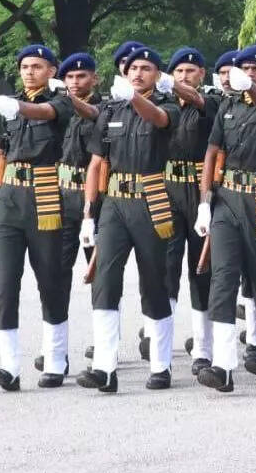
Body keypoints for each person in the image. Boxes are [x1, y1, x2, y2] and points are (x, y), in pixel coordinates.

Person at [76, 46, 180, 393]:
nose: (138, 73)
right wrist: (89, 213)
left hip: (151, 201)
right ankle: (105, 367)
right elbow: (96, 163)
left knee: (154, 282)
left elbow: (158, 119)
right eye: (133, 68)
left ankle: (161, 364)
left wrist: (134, 98)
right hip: (114, 204)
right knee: (105, 280)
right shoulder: (111, 109)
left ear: (158, 75)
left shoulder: (167, 105)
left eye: (146, 68)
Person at [194, 44, 256, 393]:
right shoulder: (228, 105)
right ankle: (223, 366)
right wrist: (205, 201)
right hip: (227, 198)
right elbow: (212, 152)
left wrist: (250, 86)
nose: (250, 73)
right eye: (245, 69)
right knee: (223, 278)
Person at [0, 44, 76, 391]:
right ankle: (9, 367)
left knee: (50, 279)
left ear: (51, 71)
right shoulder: (9, 107)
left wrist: (18, 107)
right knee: (5, 284)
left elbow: (46, 112)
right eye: (24, 67)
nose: (29, 72)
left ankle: (55, 359)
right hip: (10, 199)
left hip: (45, 196)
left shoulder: (61, 101)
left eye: (36, 66)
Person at [31, 53, 101, 375]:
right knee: (55, 273)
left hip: (92, 199)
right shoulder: (57, 107)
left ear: (94, 79)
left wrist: (92, 210)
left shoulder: (105, 108)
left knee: (100, 273)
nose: (75, 81)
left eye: (82, 76)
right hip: (60, 196)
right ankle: (54, 347)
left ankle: (103, 344)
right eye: (70, 77)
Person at [158, 47, 222, 375]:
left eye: (190, 71)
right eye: (178, 72)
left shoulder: (210, 101)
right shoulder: (163, 104)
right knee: (166, 269)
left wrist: (171, 84)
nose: (184, 76)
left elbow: (196, 100)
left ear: (202, 74)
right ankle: (161, 349)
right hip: (167, 189)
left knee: (201, 270)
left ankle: (203, 348)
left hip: (199, 190)